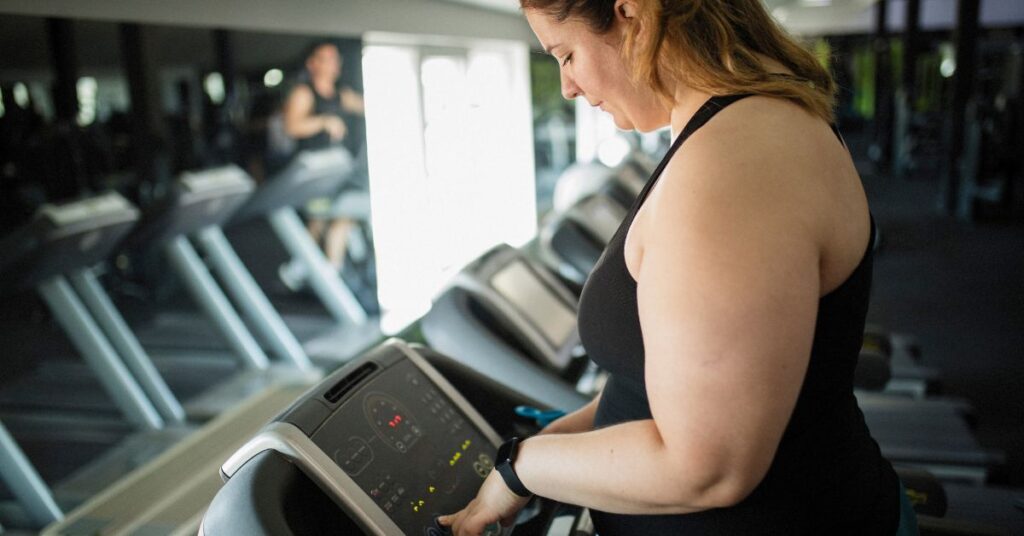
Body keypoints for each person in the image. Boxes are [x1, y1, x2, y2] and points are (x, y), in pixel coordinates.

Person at [439, 1, 919, 534]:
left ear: (632, 14)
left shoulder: (733, 164)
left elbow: (707, 470)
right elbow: (655, 382)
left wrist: (520, 470)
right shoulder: (727, 129)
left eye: (567, 54)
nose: (568, 85)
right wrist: (553, 445)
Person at [278, 41, 368, 290]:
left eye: (335, 58)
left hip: (340, 171)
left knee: (337, 217)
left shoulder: (341, 93)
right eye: (326, 58)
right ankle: (313, 270)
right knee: (322, 220)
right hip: (315, 173)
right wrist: (323, 121)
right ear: (312, 63)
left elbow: (367, 106)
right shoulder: (304, 93)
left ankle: (306, 269)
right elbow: (291, 126)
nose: (333, 64)